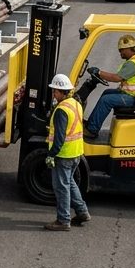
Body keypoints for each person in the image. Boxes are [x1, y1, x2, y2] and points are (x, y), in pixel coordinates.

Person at [83, 34, 135, 139]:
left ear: (131, 49)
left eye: (122, 50)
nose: (120, 52)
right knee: (107, 93)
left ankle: (92, 129)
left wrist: (99, 73)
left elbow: (116, 78)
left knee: (106, 100)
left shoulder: (133, 64)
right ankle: (91, 123)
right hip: (133, 94)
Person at [43, 73, 90, 231]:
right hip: (76, 153)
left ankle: (63, 221)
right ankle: (82, 212)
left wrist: (51, 155)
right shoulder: (76, 104)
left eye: (54, 91)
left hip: (64, 155)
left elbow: (60, 137)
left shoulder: (61, 110)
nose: (53, 94)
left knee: (61, 187)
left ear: (58, 91)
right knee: (69, 183)